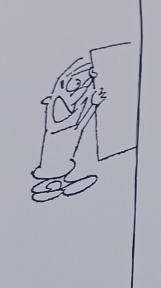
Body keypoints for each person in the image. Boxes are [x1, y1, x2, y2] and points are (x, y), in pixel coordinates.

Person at [30, 57, 106, 202]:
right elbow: (68, 117)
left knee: (59, 171)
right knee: (55, 170)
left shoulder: (69, 122)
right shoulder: (55, 114)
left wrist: (93, 101)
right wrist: (91, 102)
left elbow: (81, 120)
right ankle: (53, 185)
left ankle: (57, 185)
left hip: (63, 160)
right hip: (54, 161)